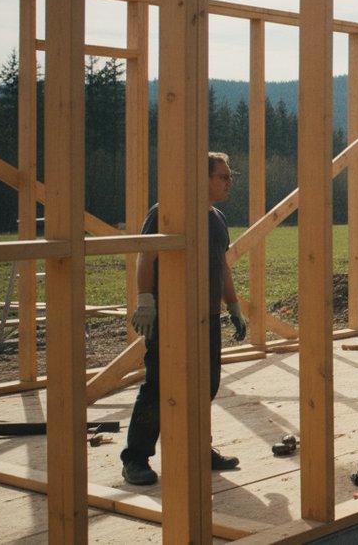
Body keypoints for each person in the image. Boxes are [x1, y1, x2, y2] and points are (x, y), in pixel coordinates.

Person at [121, 152, 249, 486]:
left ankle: (197, 449)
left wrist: (233, 306)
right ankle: (135, 458)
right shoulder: (166, 211)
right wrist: (146, 300)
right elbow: (145, 254)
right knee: (159, 387)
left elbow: (221, 265)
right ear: (202, 178)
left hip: (205, 316)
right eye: (222, 176)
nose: (229, 182)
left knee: (205, 385)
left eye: (228, 176)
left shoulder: (217, 218)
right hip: (170, 317)